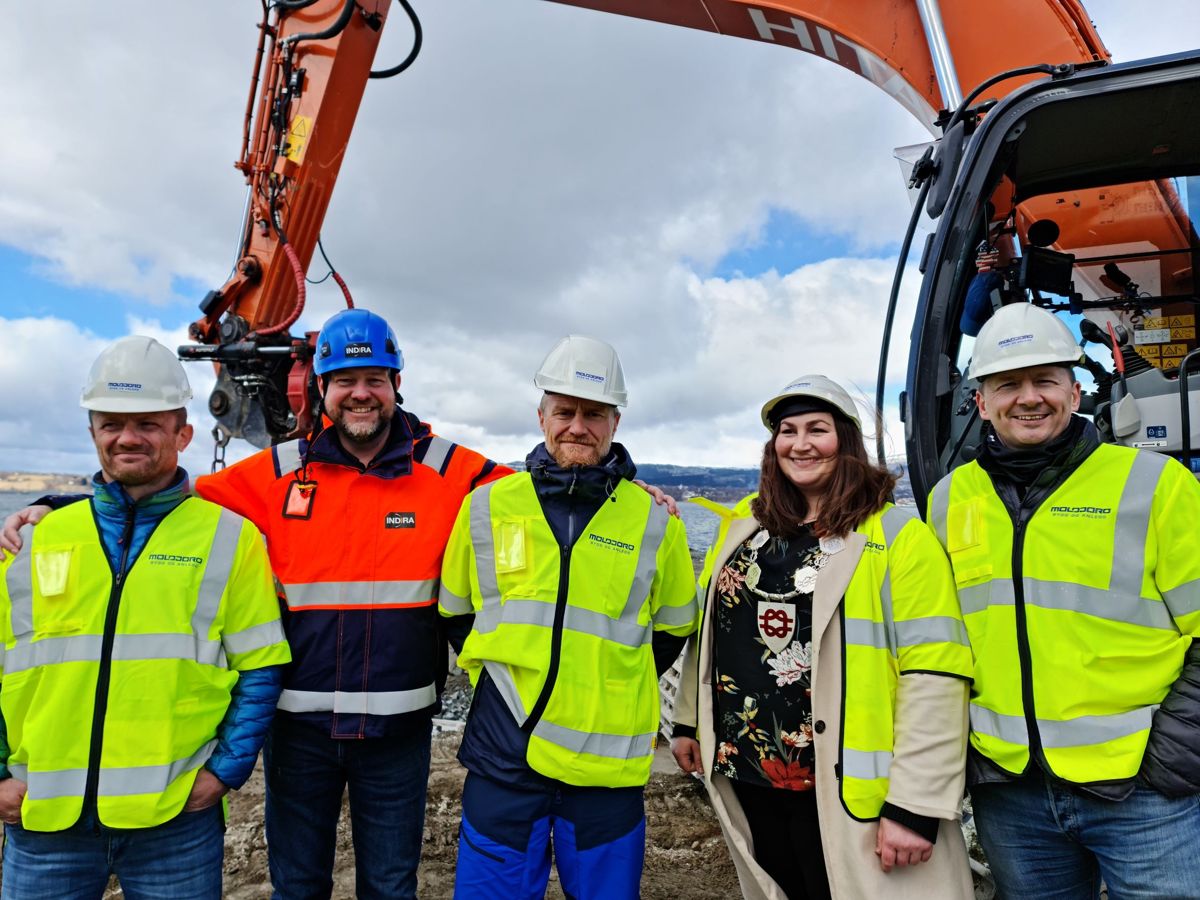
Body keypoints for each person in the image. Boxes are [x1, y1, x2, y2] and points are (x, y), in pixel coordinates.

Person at [0, 309, 511, 899]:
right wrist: (58, 505)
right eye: (345, 380)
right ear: (322, 388)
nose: (361, 393)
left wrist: (634, 492)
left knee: (392, 886)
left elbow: (533, 499)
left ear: (397, 384)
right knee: (296, 886)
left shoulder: (448, 470)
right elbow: (160, 496)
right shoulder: (277, 473)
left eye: (376, 378)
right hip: (297, 731)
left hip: (398, 732)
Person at [0, 336, 290, 900]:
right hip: (43, 818)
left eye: (148, 424)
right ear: (92, 433)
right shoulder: (35, 543)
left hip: (173, 819)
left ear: (183, 434)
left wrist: (222, 774)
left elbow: (262, 667)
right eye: (111, 423)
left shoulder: (229, 539)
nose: (127, 437)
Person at [927, 301, 1200, 899]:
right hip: (1012, 795)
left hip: (1143, 794)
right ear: (981, 402)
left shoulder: (1155, 485)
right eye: (1007, 385)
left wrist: (1175, 754)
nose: (1028, 398)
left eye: (1044, 380)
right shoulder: (950, 500)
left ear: (1074, 392)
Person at [671, 375, 975, 900]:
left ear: (848, 442)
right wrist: (686, 721)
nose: (801, 443)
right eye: (787, 431)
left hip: (845, 785)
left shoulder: (896, 536)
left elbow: (936, 672)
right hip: (749, 770)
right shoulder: (745, 524)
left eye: (818, 429)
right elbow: (710, 633)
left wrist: (916, 804)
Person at [438, 335, 699, 899]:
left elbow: (675, 628)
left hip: (605, 767)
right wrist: (504, 683)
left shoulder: (656, 521)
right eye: (565, 412)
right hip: (504, 755)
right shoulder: (488, 506)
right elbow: (455, 612)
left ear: (614, 421)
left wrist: (606, 681)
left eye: (594, 414)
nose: (577, 426)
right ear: (541, 416)